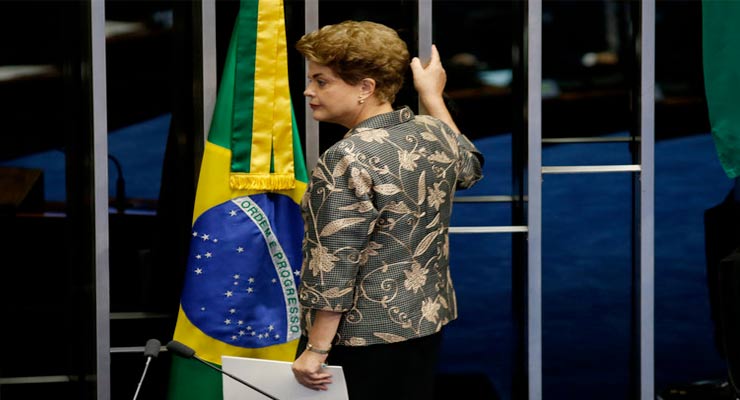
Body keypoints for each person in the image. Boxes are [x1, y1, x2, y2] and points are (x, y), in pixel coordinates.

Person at [291, 20, 484, 399]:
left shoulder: (346, 157)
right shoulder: (433, 132)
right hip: (425, 324)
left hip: (358, 339)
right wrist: (432, 97)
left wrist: (315, 350)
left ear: (366, 87)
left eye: (322, 81)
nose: (308, 91)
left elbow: (334, 260)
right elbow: (469, 167)